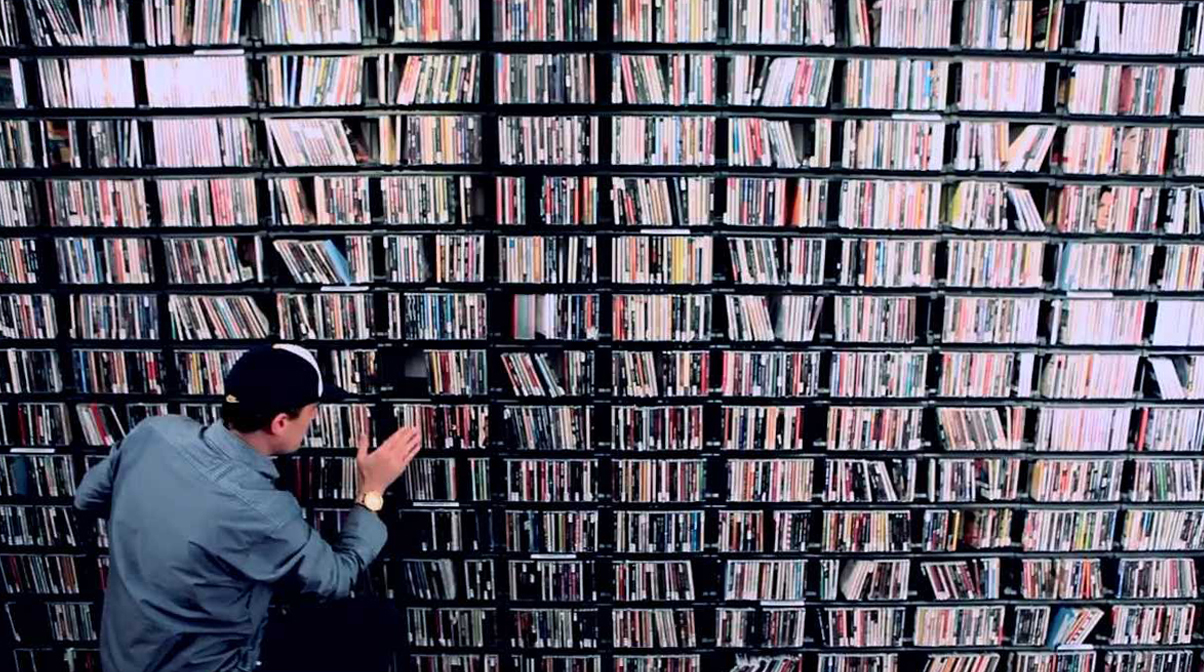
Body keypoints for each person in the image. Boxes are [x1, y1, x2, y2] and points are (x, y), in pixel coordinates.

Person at [73, 344, 422, 672]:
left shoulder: (155, 433)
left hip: (124, 657)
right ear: (280, 423)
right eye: (313, 411)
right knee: (375, 619)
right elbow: (337, 578)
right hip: (208, 665)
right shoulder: (262, 510)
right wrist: (371, 490)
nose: (314, 420)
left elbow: (86, 498)